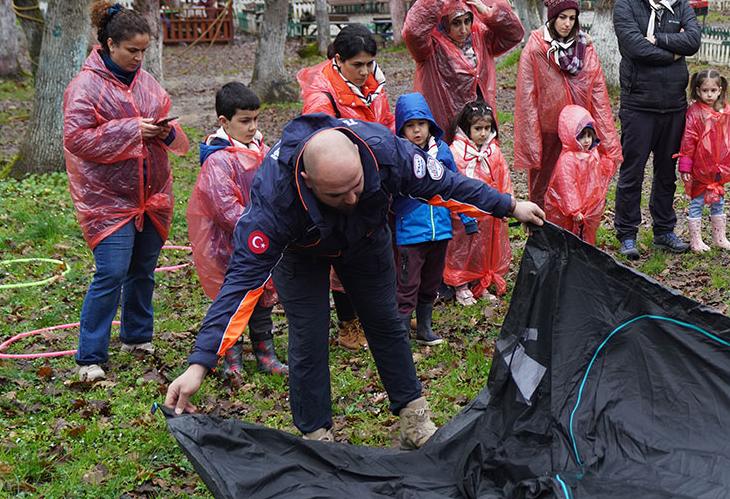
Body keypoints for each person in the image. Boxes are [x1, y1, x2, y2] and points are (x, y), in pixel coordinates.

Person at [165, 116, 546, 445]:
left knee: (386, 323)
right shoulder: (274, 199)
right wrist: (200, 363)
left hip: (365, 239)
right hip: (301, 252)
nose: (350, 198)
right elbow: (240, 284)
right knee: (309, 335)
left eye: (356, 186)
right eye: (337, 193)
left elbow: (446, 185)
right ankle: (317, 435)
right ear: (307, 181)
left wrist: (509, 205)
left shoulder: (386, 152)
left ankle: (413, 418)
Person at [63, 0, 192, 382]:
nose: (138, 58)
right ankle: (89, 358)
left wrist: (164, 131)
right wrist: (132, 130)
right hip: (107, 201)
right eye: (132, 50)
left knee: (143, 270)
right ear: (110, 45)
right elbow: (77, 138)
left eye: (143, 51)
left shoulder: (146, 83)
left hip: (151, 197)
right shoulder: (85, 86)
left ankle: (136, 338)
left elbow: (176, 138)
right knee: (111, 272)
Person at [298, 23, 392, 351]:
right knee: (344, 253)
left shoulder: (374, 85)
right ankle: (348, 324)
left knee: (371, 248)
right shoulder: (321, 97)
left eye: (370, 63)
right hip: (342, 185)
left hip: (372, 178)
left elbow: (385, 122)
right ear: (338, 60)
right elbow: (320, 143)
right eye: (358, 65)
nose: (365, 71)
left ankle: (372, 315)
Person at [186, 82, 286, 379]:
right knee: (234, 301)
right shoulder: (218, 159)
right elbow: (223, 207)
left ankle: (265, 353)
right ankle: (231, 357)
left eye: (255, 119)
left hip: (262, 241)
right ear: (224, 121)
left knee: (262, 298)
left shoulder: (263, 151)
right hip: (229, 246)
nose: (252, 127)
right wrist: (258, 225)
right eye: (244, 121)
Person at [612, 0, 703, 258]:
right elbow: (634, 48)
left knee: (667, 174)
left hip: (674, 106)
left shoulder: (681, 5)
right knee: (632, 173)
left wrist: (658, 39)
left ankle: (664, 231)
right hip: (638, 105)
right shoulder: (626, 5)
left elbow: (693, 40)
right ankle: (627, 234)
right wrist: (674, 52)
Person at [514, 0, 619, 205]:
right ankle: (541, 222)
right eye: (562, 17)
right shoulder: (537, 48)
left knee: (577, 179)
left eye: (572, 18)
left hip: (579, 128)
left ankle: (573, 221)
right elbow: (527, 94)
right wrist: (531, 136)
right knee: (544, 180)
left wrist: (605, 134)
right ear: (552, 18)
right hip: (549, 127)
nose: (567, 24)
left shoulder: (584, 48)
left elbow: (597, 91)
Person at [403, 0, 524, 140]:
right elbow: (412, 31)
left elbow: (514, 33)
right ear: (443, 22)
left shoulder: (479, 37)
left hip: (480, 122)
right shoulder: (431, 45)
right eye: (456, 23)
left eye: (467, 21)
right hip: (447, 119)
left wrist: (485, 10)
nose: (464, 29)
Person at [392, 93, 458, 346]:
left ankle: (424, 328)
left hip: (440, 229)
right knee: (407, 283)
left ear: (430, 123)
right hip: (410, 232)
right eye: (409, 125)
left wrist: (467, 218)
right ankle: (400, 335)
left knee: (431, 282)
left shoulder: (442, 151)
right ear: (401, 128)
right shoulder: (398, 154)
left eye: (421, 123)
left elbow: (456, 184)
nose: (417, 130)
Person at [446, 101, 514, 305]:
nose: (483, 134)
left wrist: (507, 203)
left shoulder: (493, 152)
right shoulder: (456, 153)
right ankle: (460, 283)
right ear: (467, 128)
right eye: (478, 128)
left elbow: (503, 177)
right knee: (461, 248)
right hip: (463, 214)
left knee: (483, 247)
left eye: (487, 128)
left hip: (488, 213)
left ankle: (480, 279)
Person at [679, 68, 730, 253]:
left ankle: (720, 237)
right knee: (698, 201)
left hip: (719, 167)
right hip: (701, 167)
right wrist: (685, 165)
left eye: (713, 91)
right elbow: (688, 140)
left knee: (719, 200)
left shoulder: (724, 112)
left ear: (720, 90)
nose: (709, 95)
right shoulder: (695, 113)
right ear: (698, 91)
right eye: (705, 90)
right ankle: (696, 240)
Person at [543, 105, 617, 244]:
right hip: (571, 211)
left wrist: (609, 163)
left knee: (584, 234)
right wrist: (574, 209)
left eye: (589, 136)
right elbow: (567, 185)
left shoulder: (592, 154)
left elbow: (598, 172)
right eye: (582, 136)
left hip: (587, 207)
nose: (587, 141)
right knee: (568, 234)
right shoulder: (568, 159)